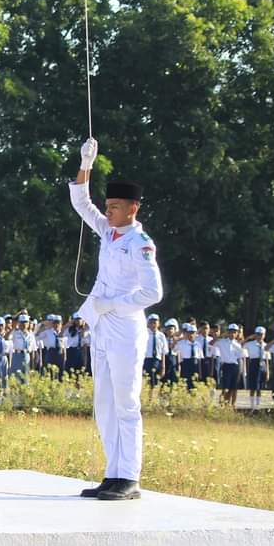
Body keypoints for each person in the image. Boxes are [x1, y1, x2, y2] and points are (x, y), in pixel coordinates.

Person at [71, 138, 163, 501]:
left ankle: (130, 476)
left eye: (115, 207)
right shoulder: (108, 233)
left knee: (126, 401)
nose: (107, 212)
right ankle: (113, 472)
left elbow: (152, 293)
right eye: (107, 206)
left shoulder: (140, 243)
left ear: (133, 208)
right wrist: (86, 163)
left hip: (125, 326)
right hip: (103, 327)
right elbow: (81, 201)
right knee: (104, 402)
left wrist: (113, 304)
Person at [214, 323, 246, 408]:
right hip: (226, 366)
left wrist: (242, 370)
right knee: (225, 388)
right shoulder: (222, 342)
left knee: (234, 388)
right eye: (231, 332)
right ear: (227, 332)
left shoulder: (238, 344)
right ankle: (222, 404)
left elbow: (241, 357)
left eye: (234, 332)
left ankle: (232, 405)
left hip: (235, 367)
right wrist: (222, 335)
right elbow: (212, 342)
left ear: (236, 333)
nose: (232, 334)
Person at [243, 326, 269, 405]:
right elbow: (241, 345)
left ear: (264, 335)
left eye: (261, 334)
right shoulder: (250, 344)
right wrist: (248, 338)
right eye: (258, 334)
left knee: (260, 387)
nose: (260, 336)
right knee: (253, 386)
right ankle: (251, 404)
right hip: (253, 364)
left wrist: (267, 371)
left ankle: (258, 403)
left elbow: (267, 359)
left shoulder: (266, 345)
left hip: (262, 365)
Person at [175, 323, 201, 391]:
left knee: (194, 386)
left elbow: (200, 358)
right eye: (189, 333)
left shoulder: (198, 344)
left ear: (196, 334)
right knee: (185, 385)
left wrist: (200, 372)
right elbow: (174, 350)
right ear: (186, 333)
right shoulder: (181, 343)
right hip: (185, 365)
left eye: (193, 333)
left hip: (195, 365)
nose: (191, 335)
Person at [143, 313, 166, 389]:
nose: (153, 324)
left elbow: (163, 352)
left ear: (158, 323)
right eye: (151, 322)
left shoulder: (161, 335)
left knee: (156, 382)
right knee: (147, 382)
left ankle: (154, 398)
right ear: (148, 324)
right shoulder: (144, 334)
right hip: (147, 360)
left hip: (157, 361)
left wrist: (163, 366)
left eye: (155, 322)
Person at [162, 318, 180, 385]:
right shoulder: (163, 339)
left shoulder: (177, 340)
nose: (170, 331)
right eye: (168, 329)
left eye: (171, 329)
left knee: (174, 378)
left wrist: (179, 365)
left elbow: (178, 353)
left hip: (173, 359)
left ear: (175, 330)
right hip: (165, 358)